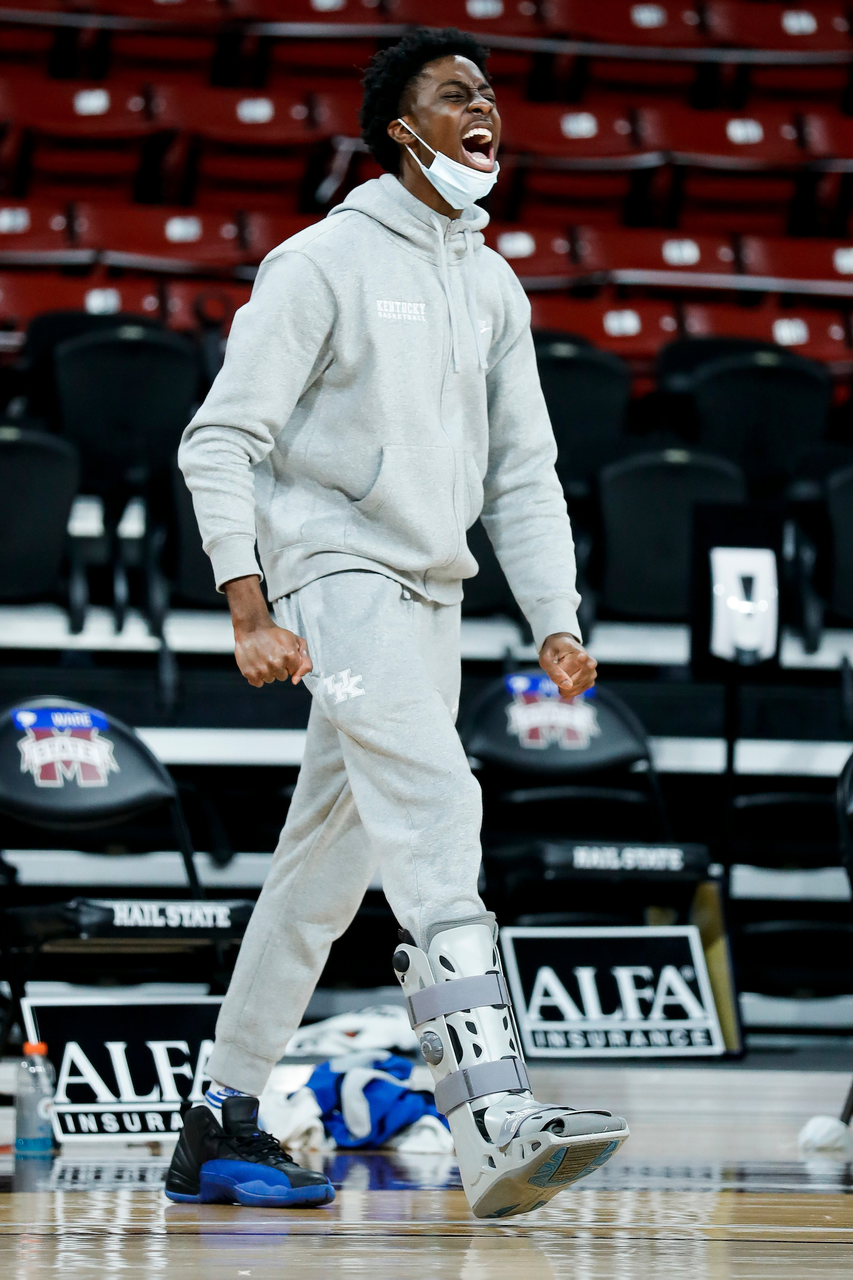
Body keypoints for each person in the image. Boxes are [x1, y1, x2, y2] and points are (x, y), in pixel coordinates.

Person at [165, 26, 628, 1218]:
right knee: (438, 802)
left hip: (434, 595)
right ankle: (497, 1114)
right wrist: (248, 602)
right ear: (398, 130)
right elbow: (220, 438)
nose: (483, 109)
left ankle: (218, 1116)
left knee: (320, 874)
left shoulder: (491, 281)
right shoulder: (317, 262)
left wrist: (555, 618)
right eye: (452, 93)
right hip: (337, 581)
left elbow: (526, 471)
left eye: (487, 92)